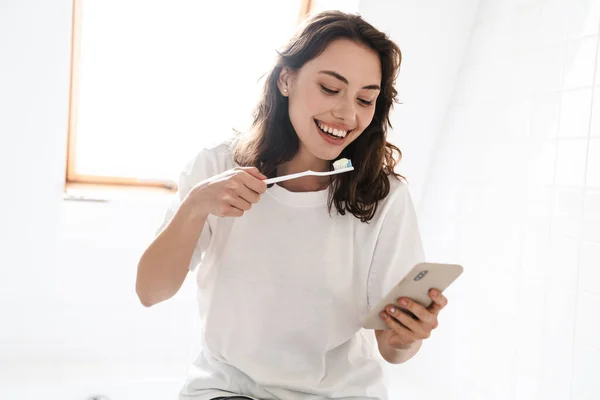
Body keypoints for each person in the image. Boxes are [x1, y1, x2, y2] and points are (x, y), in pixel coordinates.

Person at [135, 10, 449, 400]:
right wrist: (196, 205)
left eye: (365, 99)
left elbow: (392, 349)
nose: (348, 114)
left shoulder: (383, 197)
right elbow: (150, 292)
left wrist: (406, 336)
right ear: (286, 79)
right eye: (330, 89)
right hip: (228, 388)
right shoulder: (215, 167)